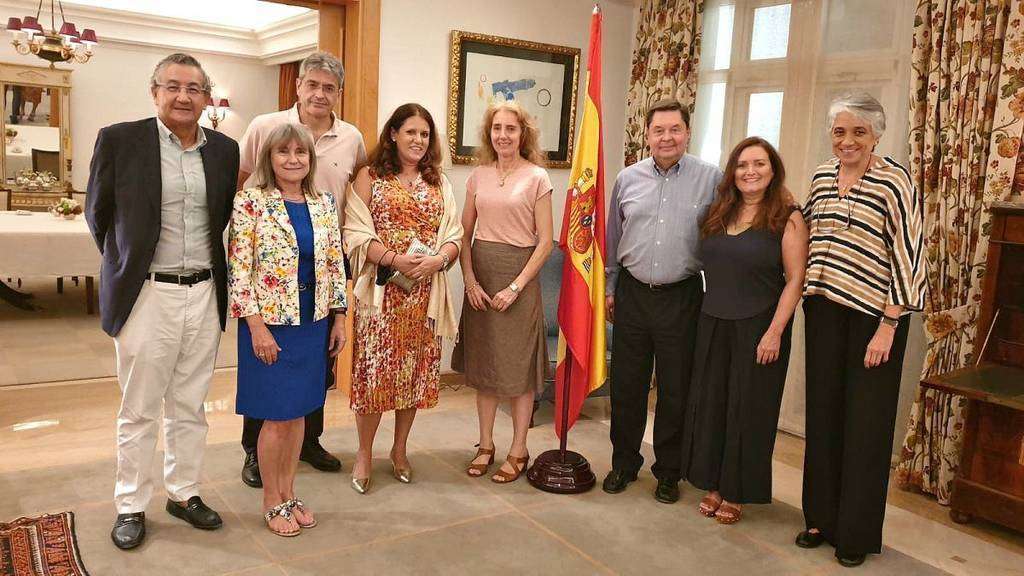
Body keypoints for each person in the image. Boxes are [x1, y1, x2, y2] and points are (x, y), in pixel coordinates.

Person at [85, 53, 240, 550]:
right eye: (172, 86)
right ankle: (130, 503)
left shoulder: (224, 151)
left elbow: (223, 221)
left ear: (206, 97)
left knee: (191, 404)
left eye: (194, 88)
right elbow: (99, 214)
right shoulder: (120, 140)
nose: (183, 97)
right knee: (140, 408)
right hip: (148, 294)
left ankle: (184, 492)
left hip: (204, 292)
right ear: (154, 92)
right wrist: (125, 267)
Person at [795, 93, 925, 568]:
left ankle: (855, 531)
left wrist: (890, 326)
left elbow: (910, 256)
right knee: (824, 416)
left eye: (858, 132)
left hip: (876, 318)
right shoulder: (822, 176)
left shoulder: (894, 181)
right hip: (824, 310)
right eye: (839, 131)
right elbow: (803, 228)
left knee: (865, 427)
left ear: (876, 135)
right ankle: (819, 519)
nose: (847, 141)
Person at [236, 52, 366, 486]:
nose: (319, 93)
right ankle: (256, 453)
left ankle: (309, 442)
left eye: (329, 87)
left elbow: (354, 199)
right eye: (312, 84)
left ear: (338, 93)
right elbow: (242, 186)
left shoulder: (351, 138)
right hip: (271, 270)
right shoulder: (263, 127)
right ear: (298, 86)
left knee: (315, 374)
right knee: (270, 383)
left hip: (320, 267)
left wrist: (341, 305)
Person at [228, 123, 348, 537]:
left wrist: (340, 316)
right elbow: (239, 271)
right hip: (270, 326)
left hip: (312, 324)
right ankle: (270, 501)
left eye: (301, 152)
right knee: (275, 419)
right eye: (284, 152)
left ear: (311, 159)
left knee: (299, 417)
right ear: (270, 158)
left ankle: (290, 493)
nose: (293, 159)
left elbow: (335, 264)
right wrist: (256, 327)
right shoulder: (250, 202)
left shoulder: (323, 203)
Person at [680, 137, 807, 524]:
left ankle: (737, 490)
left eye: (760, 164)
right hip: (714, 321)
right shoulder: (720, 212)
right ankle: (715, 483)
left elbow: (796, 279)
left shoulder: (788, 216)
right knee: (713, 406)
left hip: (759, 327)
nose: (750, 172)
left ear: (773, 171)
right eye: (742, 165)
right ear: (732, 172)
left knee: (747, 411)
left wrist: (775, 332)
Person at [603, 99, 722, 504]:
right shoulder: (627, 178)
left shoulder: (711, 179)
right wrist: (608, 288)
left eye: (675, 129)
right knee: (626, 386)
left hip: (683, 296)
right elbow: (613, 238)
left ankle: (670, 471)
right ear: (647, 135)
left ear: (687, 132)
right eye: (659, 130)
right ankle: (624, 462)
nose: (667, 137)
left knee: (676, 390)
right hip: (633, 293)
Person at [343, 103, 462, 494]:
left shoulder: (439, 182)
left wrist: (438, 260)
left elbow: (455, 235)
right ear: (393, 133)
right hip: (381, 296)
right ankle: (364, 453)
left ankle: (399, 450)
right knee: (375, 376)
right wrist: (393, 258)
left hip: (424, 296)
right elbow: (355, 232)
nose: (418, 140)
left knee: (412, 377)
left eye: (425, 134)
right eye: (411, 132)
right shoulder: (370, 176)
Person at [454, 101, 553, 483]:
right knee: (485, 367)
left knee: (517, 370)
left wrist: (515, 286)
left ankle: (518, 449)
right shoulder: (477, 176)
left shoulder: (537, 177)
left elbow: (545, 242)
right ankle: (485, 445)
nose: (503, 135)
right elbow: (463, 235)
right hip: (481, 276)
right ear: (488, 133)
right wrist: (471, 281)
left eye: (511, 128)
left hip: (519, 280)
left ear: (522, 133)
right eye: (497, 128)